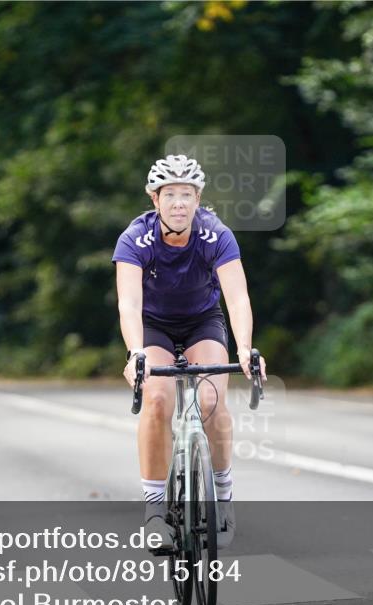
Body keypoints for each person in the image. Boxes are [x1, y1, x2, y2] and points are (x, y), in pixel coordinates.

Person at [113, 154, 267, 550]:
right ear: (155, 199)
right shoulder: (135, 239)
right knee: (157, 400)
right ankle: (154, 513)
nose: (178, 203)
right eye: (170, 195)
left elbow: (237, 298)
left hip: (202, 321)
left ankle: (223, 495)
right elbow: (129, 304)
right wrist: (135, 353)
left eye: (186, 194)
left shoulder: (216, 235)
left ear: (198, 199)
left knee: (211, 400)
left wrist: (245, 348)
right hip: (154, 326)